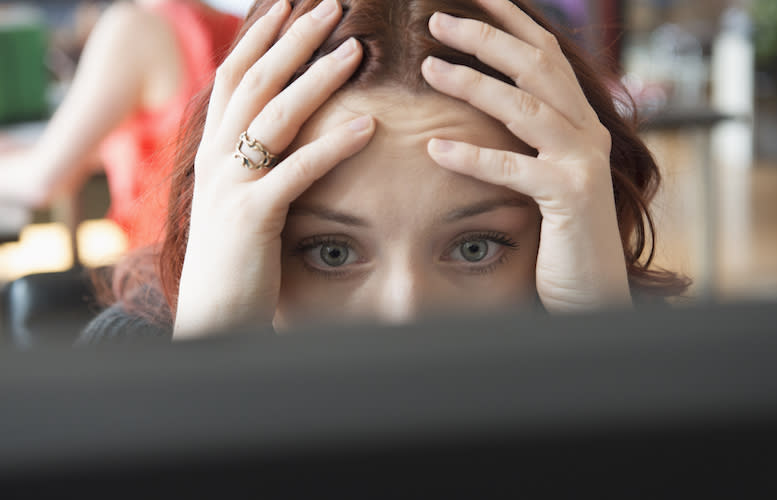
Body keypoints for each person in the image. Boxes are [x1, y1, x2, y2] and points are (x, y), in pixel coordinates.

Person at [79, 0, 690, 344]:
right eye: (331, 253)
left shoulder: (652, 359)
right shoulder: (130, 364)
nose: (407, 316)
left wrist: (600, 348)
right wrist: (211, 371)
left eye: (475, 248)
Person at [0, 0, 241, 249]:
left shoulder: (132, 28)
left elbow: (40, 181)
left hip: (165, 268)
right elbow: (179, 145)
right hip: (223, 259)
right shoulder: (239, 26)